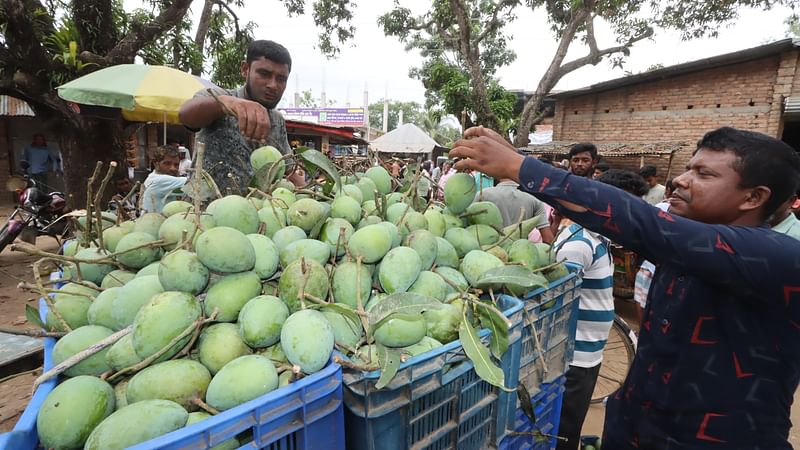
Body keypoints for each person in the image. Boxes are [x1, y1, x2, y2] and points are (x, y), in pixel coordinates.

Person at [450, 126, 800, 449]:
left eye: (703, 174)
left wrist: (520, 167)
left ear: (754, 197)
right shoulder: (683, 253)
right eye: (689, 168)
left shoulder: (779, 257)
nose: (680, 179)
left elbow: (642, 222)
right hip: (636, 430)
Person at [553, 169, 647, 450]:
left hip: (590, 353)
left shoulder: (599, 240)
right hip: (575, 358)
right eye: (626, 209)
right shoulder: (580, 246)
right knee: (566, 429)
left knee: (573, 422)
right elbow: (557, 302)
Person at [179, 40, 299, 194]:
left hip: (255, 213)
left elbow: (287, 170)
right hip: (203, 212)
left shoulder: (277, 121)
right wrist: (226, 104)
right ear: (245, 69)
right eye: (264, 74)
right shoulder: (220, 98)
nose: (273, 85)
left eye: (281, 79)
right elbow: (186, 115)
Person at [475, 175, 554, 243]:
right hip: (520, 256)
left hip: (488, 253)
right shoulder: (535, 200)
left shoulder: (482, 195)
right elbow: (548, 239)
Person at [142, 146, 187, 214]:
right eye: (167, 163)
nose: (173, 168)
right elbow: (196, 183)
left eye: (176, 165)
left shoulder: (152, 177)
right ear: (156, 164)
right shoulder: (159, 180)